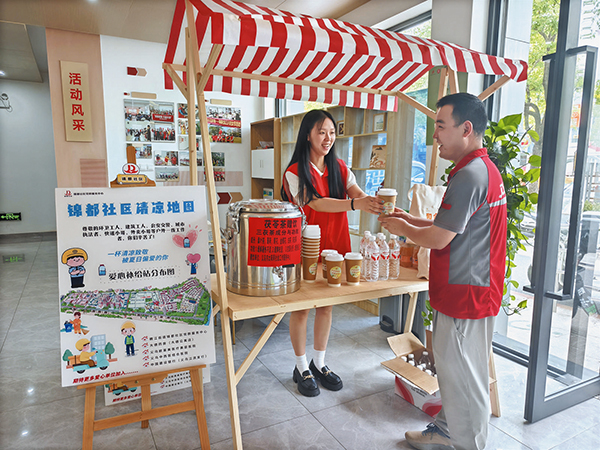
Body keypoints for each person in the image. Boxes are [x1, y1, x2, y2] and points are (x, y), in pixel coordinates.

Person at [379, 93, 506, 450]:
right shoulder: (479, 170)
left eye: (440, 126)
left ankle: (468, 444)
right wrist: (409, 219)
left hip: (466, 294)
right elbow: (449, 226)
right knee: (454, 373)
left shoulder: (470, 175)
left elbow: (438, 238)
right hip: (467, 289)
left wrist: (403, 229)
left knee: (465, 379)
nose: (434, 135)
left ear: (466, 129)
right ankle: (447, 432)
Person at [281, 109, 384, 397]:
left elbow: (356, 192)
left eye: (331, 132)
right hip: (305, 248)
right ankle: (300, 366)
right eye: (321, 132)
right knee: (301, 308)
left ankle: (319, 363)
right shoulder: (294, 172)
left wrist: (373, 202)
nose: (327, 138)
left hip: (337, 246)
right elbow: (315, 203)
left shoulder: (339, 167)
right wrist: (354, 205)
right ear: (308, 135)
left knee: (327, 306)